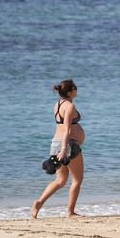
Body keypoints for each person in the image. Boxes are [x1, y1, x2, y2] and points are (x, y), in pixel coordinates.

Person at [32, 79, 85, 219]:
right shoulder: (69, 106)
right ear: (70, 92)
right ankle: (70, 212)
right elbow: (67, 129)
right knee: (77, 180)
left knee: (60, 180)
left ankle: (39, 203)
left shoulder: (57, 104)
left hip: (56, 142)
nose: (77, 90)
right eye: (75, 88)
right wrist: (64, 149)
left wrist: (61, 147)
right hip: (67, 145)